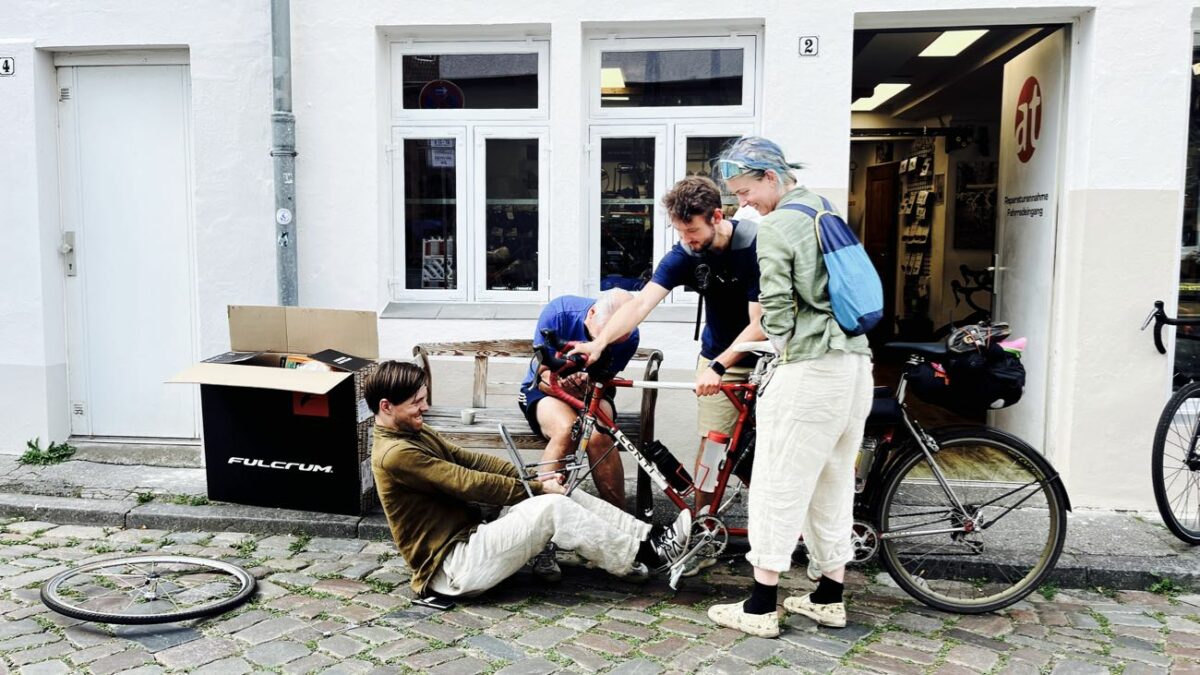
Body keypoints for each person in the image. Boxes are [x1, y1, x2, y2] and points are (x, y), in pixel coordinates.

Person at [705, 137, 873, 638]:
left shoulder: (777, 224)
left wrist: (771, 348)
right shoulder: (822, 207)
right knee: (834, 482)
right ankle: (828, 597)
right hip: (854, 367)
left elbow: (775, 311)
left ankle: (759, 606)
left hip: (810, 371)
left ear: (770, 177)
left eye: (745, 191)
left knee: (778, 484)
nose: (742, 204)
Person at [570, 177, 766, 577]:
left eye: (692, 230)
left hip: (763, 357)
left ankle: (786, 524)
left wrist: (720, 366)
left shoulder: (755, 248)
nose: (688, 239)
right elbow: (641, 303)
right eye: (680, 231)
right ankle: (704, 532)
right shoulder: (684, 255)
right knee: (713, 447)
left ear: (717, 216)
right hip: (718, 359)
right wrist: (600, 343)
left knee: (773, 451)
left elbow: (760, 325)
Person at [366, 360, 692, 599]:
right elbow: (468, 481)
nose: (425, 406)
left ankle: (654, 538)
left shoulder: (413, 431)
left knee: (557, 495)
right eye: (416, 402)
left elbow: (471, 460)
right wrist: (537, 488)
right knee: (551, 507)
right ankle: (645, 556)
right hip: (454, 567)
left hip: (472, 540)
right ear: (386, 406)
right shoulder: (395, 454)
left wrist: (536, 477)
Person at [518, 290, 640, 511]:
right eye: (599, 338)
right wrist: (564, 381)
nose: (601, 346)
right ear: (591, 313)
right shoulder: (559, 312)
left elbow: (604, 381)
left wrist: (588, 381)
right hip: (546, 389)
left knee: (597, 435)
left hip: (592, 393)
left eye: (611, 342)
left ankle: (619, 517)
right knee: (567, 428)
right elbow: (542, 374)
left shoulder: (629, 335)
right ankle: (538, 514)